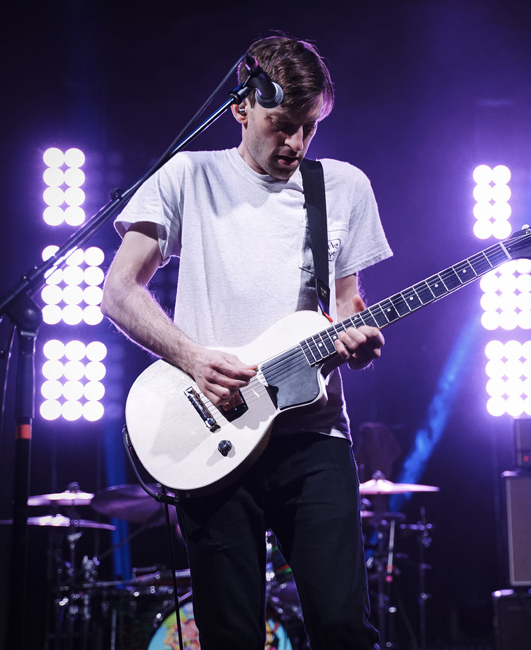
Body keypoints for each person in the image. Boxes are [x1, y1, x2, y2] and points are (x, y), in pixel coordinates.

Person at [101, 34, 391, 650]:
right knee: (230, 634)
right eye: (282, 125)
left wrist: (358, 341)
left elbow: (346, 309)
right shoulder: (188, 174)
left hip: (312, 435)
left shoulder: (342, 188)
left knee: (343, 628)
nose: (296, 144)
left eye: (309, 128)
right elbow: (119, 292)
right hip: (216, 436)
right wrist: (192, 357)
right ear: (241, 105)